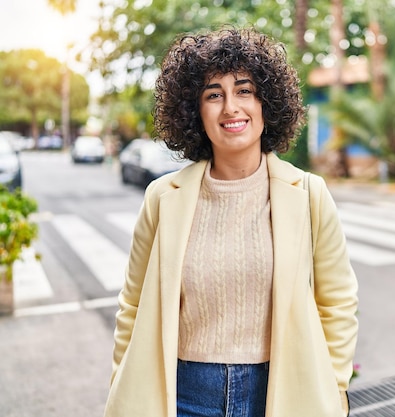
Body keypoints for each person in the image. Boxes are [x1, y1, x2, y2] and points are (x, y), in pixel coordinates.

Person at [103, 27, 359, 417]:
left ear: (266, 103)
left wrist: (333, 386)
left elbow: (337, 304)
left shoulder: (309, 194)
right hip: (182, 393)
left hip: (281, 392)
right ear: (194, 111)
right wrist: (123, 380)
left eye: (244, 90)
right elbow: (133, 306)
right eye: (213, 95)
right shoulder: (161, 198)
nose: (230, 108)